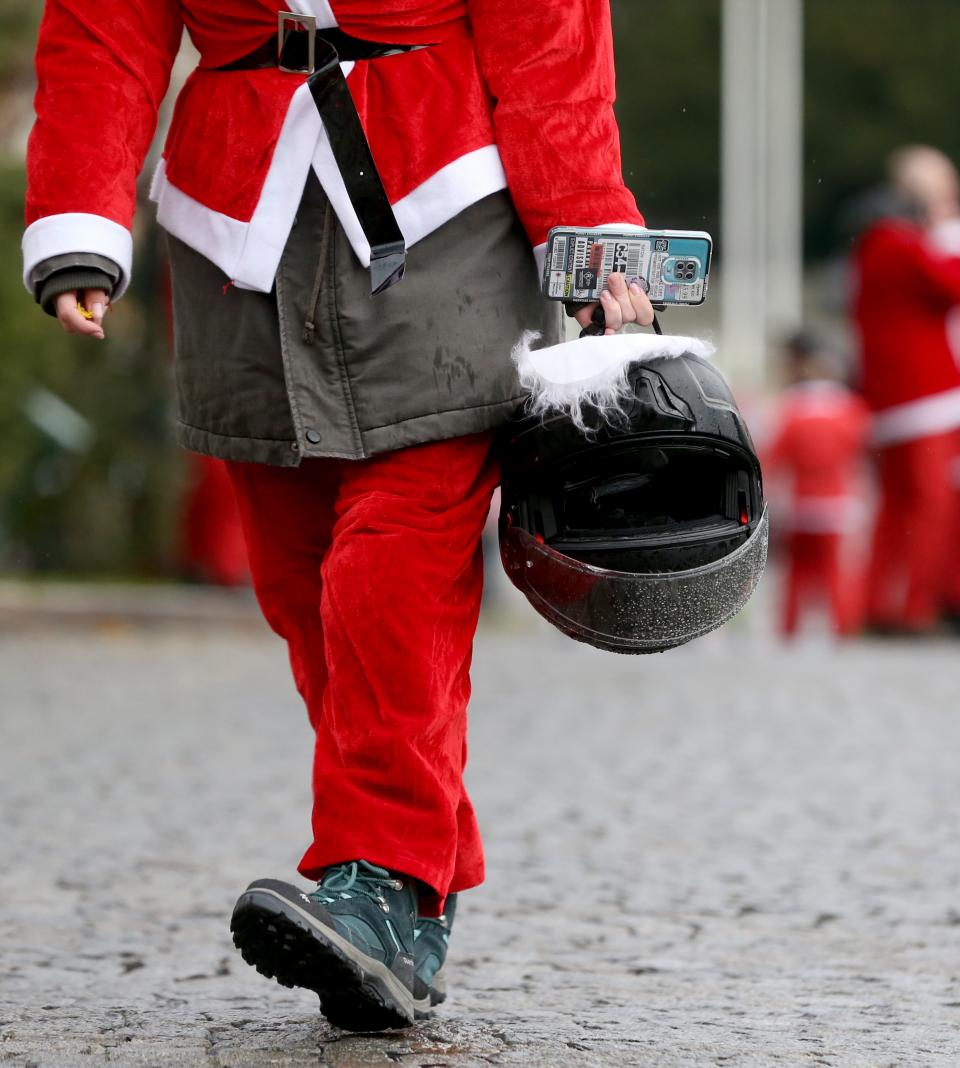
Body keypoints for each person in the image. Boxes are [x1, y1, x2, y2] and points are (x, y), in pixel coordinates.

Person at [26, 0, 656, 1030]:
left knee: (391, 565)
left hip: (443, 201)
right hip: (234, 216)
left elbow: (551, 36)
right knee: (303, 585)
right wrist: (78, 219)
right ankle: (417, 883)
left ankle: (381, 876)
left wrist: (588, 232)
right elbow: (105, 31)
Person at [851, 145, 960, 635]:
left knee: (897, 508)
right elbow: (958, 286)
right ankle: (913, 608)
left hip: (901, 398)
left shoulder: (882, 242)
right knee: (932, 508)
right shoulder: (899, 243)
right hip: (927, 398)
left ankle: (879, 605)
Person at [764, 331, 869, 639]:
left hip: (800, 504)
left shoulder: (791, 409)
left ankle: (789, 629)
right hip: (837, 503)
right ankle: (845, 627)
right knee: (836, 572)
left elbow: (774, 458)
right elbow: (860, 452)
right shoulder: (851, 410)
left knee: (797, 571)